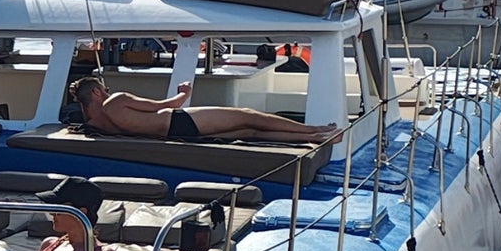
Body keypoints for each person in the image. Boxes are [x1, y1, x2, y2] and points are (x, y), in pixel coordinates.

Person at [70, 76, 337, 144]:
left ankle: (313, 138)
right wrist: (184, 92)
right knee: (247, 116)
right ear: (95, 92)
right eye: (102, 88)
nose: (106, 90)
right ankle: (314, 130)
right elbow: (167, 106)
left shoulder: (94, 124)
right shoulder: (115, 100)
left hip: (172, 135)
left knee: (250, 132)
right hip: (178, 122)